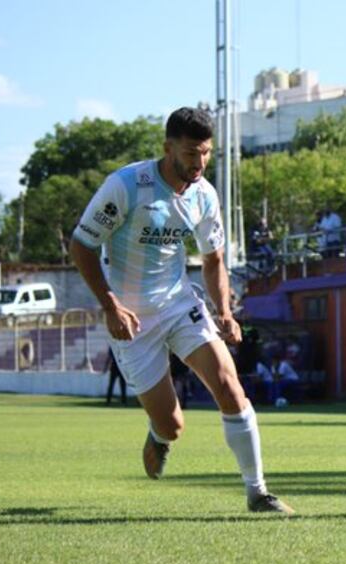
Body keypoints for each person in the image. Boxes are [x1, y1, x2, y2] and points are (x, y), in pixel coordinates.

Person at [69, 106, 293, 514]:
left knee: (229, 386)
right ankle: (159, 435)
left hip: (178, 302)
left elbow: (213, 260)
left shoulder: (205, 195)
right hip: (131, 319)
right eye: (191, 153)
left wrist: (224, 312)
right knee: (173, 424)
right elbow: (81, 245)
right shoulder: (126, 185)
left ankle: (258, 492)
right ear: (168, 147)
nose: (199, 162)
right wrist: (110, 305)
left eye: (206, 153)